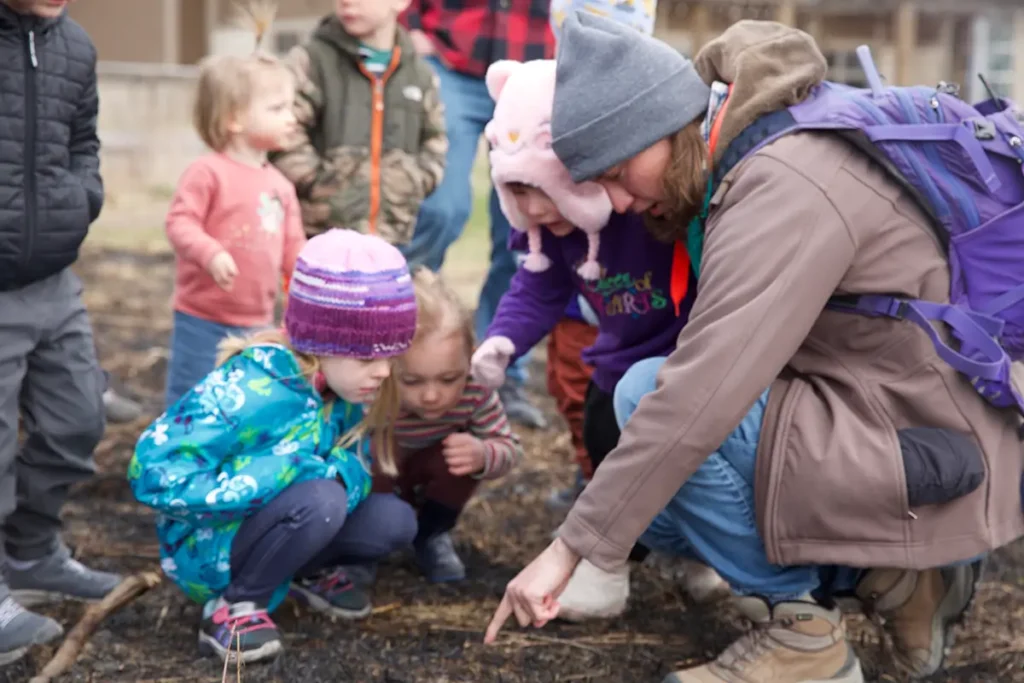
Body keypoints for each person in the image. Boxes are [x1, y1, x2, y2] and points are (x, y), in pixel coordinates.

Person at [486, 14, 1024, 683]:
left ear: (663, 124)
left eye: (621, 173)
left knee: (648, 396)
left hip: (922, 438)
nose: (619, 202)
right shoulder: (750, 151)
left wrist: (569, 549)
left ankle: (807, 635)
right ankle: (894, 579)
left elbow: (702, 391)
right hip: (883, 408)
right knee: (659, 468)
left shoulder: (784, 184)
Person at [474, 57, 725, 621]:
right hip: (615, 361)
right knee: (602, 440)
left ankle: (700, 557)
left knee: (686, 460)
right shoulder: (546, 231)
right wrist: (501, 342)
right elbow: (535, 289)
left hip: (682, 354)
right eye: (518, 190)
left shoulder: (638, 207)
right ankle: (611, 563)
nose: (535, 208)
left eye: (545, 189)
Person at [129, 230, 419, 664]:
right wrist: (273, 475)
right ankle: (232, 607)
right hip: (208, 546)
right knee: (321, 498)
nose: (382, 372)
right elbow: (152, 470)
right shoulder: (250, 390)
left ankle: (296, 569)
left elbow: (352, 466)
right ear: (322, 345)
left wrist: (330, 473)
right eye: (366, 359)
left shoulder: (345, 389)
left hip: (290, 519)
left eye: (390, 358)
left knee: (392, 520)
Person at [0, 0, 123, 666]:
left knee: (77, 418)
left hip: (53, 278)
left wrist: (81, 198)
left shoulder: (75, 46)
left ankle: (31, 549)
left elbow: (84, 142)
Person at [398, 0, 551, 429]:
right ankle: (396, 344)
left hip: (536, 70)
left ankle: (497, 374)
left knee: (523, 233)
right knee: (440, 208)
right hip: (451, 63)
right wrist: (405, 23)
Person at [164, 7, 306, 407]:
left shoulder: (281, 186)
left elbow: (293, 252)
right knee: (191, 400)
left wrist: (301, 298)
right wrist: (210, 252)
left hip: (257, 324)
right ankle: (178, 464)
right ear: (233, 119)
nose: (292, 118)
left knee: (244, 402)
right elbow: (179, 222)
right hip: (201, 319)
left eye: (291, 106)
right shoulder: (207, 172)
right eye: (277, 108)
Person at [374, 268, 522, 583]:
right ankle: (360, 547)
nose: (431, 395)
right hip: (380, 481)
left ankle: (430, 536)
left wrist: (484, 453)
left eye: (448, 379)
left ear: (469, 359)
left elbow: (509, 447)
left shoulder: (475, 389)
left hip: (429, 474)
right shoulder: (376, 390)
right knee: (367, 450)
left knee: (460, 454)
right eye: (412, 381)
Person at [271, 0, 446, 245]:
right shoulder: (311, 61)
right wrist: (317, 183)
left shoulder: (420, 74)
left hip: (392, 239)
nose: (346, 2)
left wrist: (411, 183)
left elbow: (434, 141)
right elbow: (284, 131)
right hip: (319, 238)